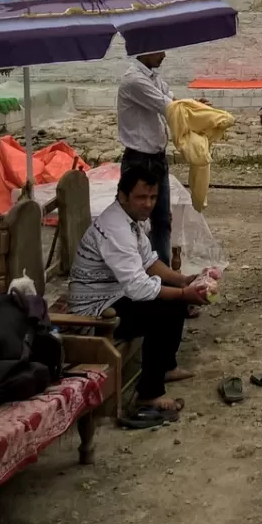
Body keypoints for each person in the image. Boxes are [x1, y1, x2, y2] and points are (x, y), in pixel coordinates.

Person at [68, 160, 206, 426]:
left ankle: (165, 366)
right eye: (141, 197)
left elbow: (149, 262)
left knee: (174, 296)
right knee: (162, 309)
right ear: (122, 195)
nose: (148, 203)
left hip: (114, 294)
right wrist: (184, 293)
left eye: (153, 197)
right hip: (94, 310)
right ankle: (148, 394)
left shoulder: (132, 219)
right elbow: (138, 287)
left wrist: (184, 280)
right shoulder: (115, 227)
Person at [117, 51, 173, 265]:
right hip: (140, 161)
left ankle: (161, 275)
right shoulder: (134, 81)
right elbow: (168, 106)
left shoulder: (152, 77)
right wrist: (197, 112)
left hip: (156, 159)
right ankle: (130, 270)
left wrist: (195, 104)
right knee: (130, 219)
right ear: (145, 50)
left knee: (161, 220)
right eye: (159, 50)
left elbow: (172, 98)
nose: (164, 55)